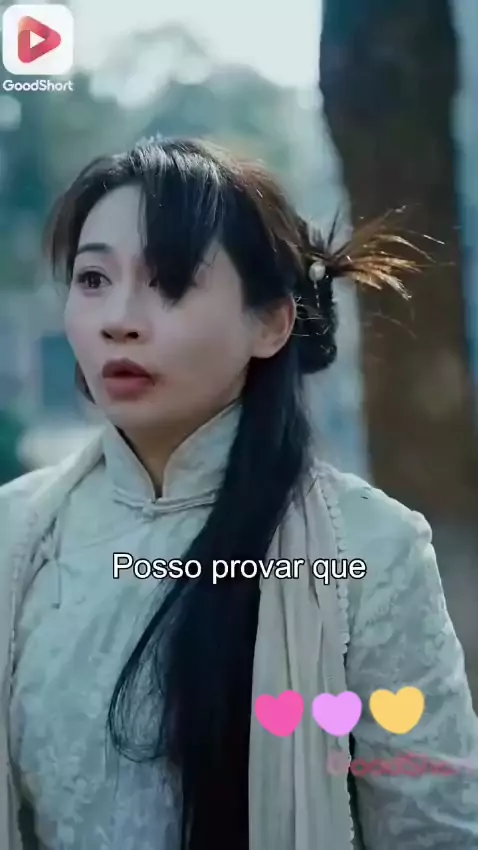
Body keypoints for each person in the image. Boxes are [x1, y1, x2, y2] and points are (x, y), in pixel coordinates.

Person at [0, 137, 477, 850]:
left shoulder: (369, 550)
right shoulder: (16, 534)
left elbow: (436, 830)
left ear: (271, 323)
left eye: (170, 282)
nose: (118, 318)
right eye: (93, 278)